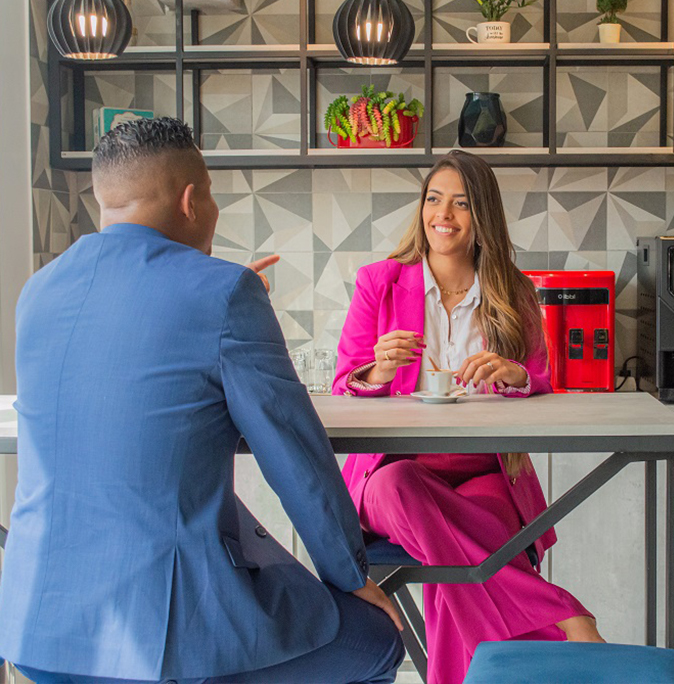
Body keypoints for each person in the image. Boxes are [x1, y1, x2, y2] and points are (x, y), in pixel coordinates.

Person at [0, 118, 404, 684]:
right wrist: (351, 575)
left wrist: (220, 299)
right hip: (161, 637)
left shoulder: (37, 291)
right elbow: (296, 458)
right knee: (375, 640)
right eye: (211, 192)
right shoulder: (224, 293)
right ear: (192, 200)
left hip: (36, 633)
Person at [333, 150, 604, 684]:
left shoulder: (513, 292)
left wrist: (512, 374)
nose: (444, 215)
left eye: (461, 204)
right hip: (396, 468)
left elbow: (540, 378)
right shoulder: (379, 283)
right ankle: (565, 615)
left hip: (485, 469)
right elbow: (344, 381)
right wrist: (377, 371)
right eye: (434, 200)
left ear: (482, 217)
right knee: (399, 486)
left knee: (457, 568)